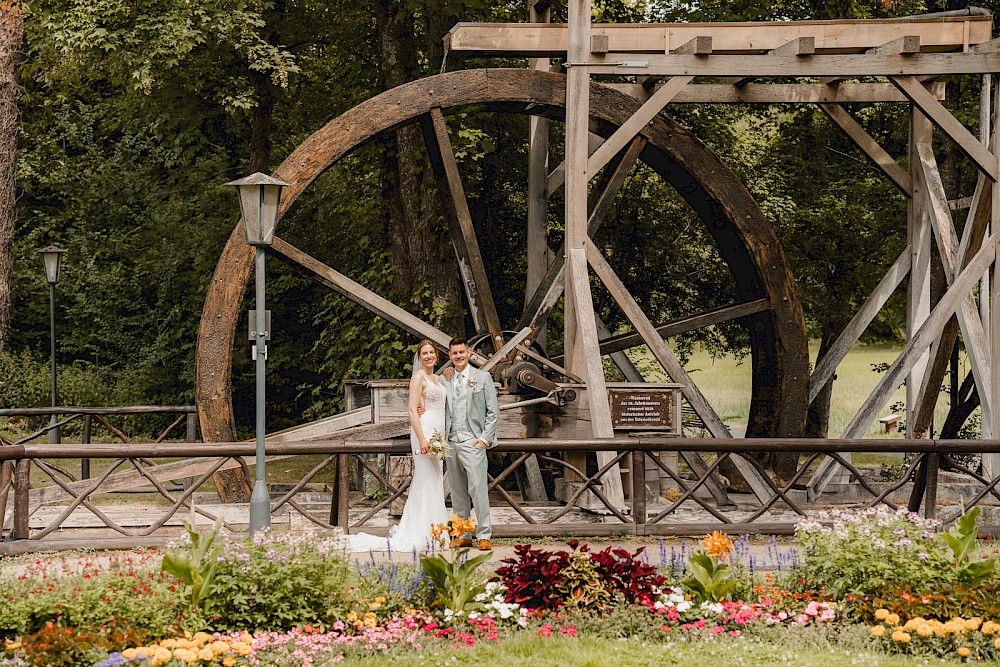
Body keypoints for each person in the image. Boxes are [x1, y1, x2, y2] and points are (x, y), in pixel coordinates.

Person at [341, 339, 450, 552]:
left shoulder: (437, 378)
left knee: (434, 481)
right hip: (424, 432)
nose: (428, 356)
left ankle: (435, 531)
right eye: (424, 353)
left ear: (437, 356)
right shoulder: (418, 378)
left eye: (431, 353)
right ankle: (420, 532)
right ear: (419, 357)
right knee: (425, 478)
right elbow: (411, 410)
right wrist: (422, 439)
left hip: (438, 434)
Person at [442, 337, 499, 550]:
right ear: (450, 356)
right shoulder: (445, 379)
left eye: (461, 352)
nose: (458, 356)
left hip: (473, 442)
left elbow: (493, 411)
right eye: (454, 353)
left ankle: (484, 534)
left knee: (478, 490)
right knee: (457, 492)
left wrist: (484, 439)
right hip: (451, 441)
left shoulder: (482, 377)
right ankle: (463, 533)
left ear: (468, 353)